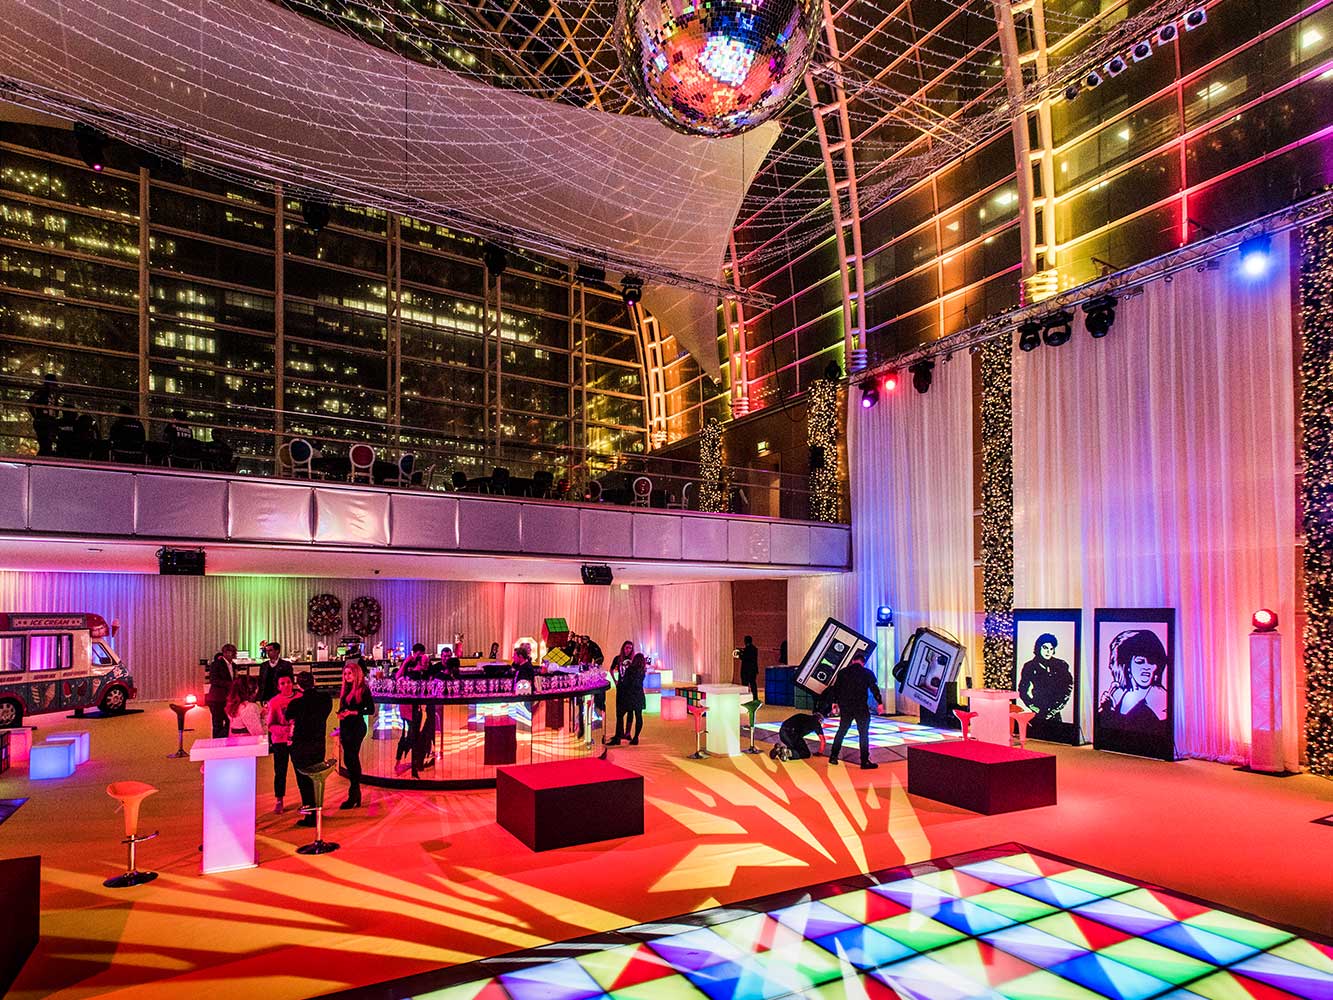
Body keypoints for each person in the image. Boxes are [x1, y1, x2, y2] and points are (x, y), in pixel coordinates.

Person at [1097, 629, 1169, 741]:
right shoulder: (1122, 694)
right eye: (1140, 661)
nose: (1147, 667)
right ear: (1127, 665)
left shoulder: (1159, 696)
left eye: (1151, 662)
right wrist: (1106, 709)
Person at [286, 671, 333, 826]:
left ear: (298, 685)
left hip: (300, 745)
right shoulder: (325, 699)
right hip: (318, 744)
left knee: (303, 781)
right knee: (316, 778)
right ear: (314, 682)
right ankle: (317, 809)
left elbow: (288, 718)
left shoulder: (295, 704)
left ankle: (310, 814)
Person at [827, 655, 884, 769]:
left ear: (853, 661)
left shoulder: (843, 672)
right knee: (863, 733)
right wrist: (880, 703)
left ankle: (833, 756)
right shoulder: (867, 673)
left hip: (846, 706)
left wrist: (834, 702)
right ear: (863, 662)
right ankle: (864, 761)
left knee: (842, 730)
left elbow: (836, 688)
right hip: (860, 706)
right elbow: (874, 689)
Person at [336, 660, 374, 809]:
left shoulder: (363, 690)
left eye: (350, 673)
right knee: (349, 759)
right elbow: (345, 707)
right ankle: (355, 792)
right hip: (346, 726)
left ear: (356, 674)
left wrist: (353, 712)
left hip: (357, 727)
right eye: (345, 674)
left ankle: (354, 793)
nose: (347, 676)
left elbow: (370, 709)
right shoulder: (346, 690)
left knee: (352, 759)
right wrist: (341, 714)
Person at [1018, 632, 1074, 725]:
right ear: (1038, 647)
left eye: (1051, 649)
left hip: (1055, 711)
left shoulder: (1061, 665)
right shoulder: (1029, 666)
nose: (1048, 652)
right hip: (1038, 710)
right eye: (1045, 648)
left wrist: (1054, 710)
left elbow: (1067, 688)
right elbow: (1022, 690)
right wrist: (1033, 707)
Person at [266, 673, 297, 814]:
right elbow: (270, 725)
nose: (286, 685)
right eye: (282, 683)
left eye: (288, 682)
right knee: (280, 771)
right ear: (278, 686)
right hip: (280, 741)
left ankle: (307, 799)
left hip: (296, 740)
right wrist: (284, 730)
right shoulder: (274, 702)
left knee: (300, 770)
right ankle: (279, 799)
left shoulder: (300, 697)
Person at [608, 652, 647, 746]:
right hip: (639, 695)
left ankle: (618, 737)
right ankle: (635, 737)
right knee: (638, 716)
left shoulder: (630, 669)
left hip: (629, 695)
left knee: (620, 714)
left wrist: (620, 686)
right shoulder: (643, 670)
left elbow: (626, 682)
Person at [205, 643, 237, 738]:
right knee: (217, 723)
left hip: (228, 699)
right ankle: (217, 743)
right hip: (217, 699)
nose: (234, 655)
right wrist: (231, 684)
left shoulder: (234, 665)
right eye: (232, 652)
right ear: (225, 653)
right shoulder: (216, 664)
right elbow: (214, 680)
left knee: (229, 722)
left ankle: (226, 741)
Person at [28, 373, 59, 455]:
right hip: (43, 420)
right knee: (45, 443)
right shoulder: (41, 392)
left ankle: (44, 457)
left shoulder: (53, 394)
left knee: (47, 443)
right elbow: (30, 402)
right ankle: (43, 457)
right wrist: (37, 415)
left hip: (48, 420)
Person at [740, 635, 760, 699]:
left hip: (746, 670)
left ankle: (745, 698)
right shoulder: (754, 649)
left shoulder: (747, 649)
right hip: (753, 670)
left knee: (745, 685)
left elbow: (745, 658)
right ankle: (755, 698)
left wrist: (740, 655)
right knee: (753, 684)